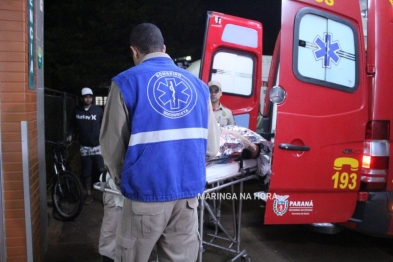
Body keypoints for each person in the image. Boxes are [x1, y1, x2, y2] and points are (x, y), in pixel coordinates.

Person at [100, 23, 220, 262]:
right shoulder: (199, 87)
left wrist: (125, 181)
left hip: (145, 195)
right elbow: (212, 148)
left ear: (134, 51)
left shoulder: (126, 82)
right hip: (187, 198)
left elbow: (111, 147)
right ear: (164, 48)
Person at [67, 87, 104, 205]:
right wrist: (70, 134)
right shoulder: (76, 111)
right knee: (86, 171)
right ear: (82, 98)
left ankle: (106, 194)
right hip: (84, 146)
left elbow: (104, 125)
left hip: (98, 146)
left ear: (92, 98)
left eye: (90, 97)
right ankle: (88, 194)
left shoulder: (98, 110)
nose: (88, 99)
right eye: (86, 97)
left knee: (102, 169)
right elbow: (72, 125)